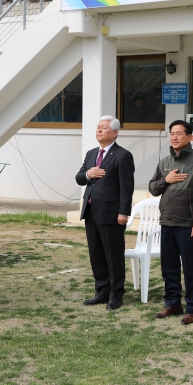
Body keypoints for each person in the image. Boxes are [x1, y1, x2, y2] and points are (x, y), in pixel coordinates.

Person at [149, 120, 193, 325]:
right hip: (167, 221)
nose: (174, 137)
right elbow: (153, 188)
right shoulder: (164, 162)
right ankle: (173, 304)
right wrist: (165, 180)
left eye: (179, 133)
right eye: (172, 133)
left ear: (190, 137)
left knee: (190, 267)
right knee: (169, 267)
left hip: (188, 224)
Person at [76, 115, 135, 311]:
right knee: (96, 255)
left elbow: (127, 188)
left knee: (113, 256)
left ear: (115, 133)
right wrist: (88, 174)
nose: (99, 130)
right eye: (98, 127)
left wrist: (123, 212)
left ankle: (116, 295)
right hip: (92, 211)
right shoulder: (92, 153)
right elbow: (79, 177)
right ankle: (101, 292)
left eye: (103, 127)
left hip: (111, 213)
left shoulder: (122, 155)